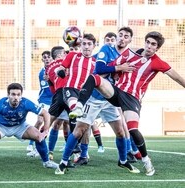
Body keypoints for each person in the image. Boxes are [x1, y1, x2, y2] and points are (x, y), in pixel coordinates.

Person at [71, 31, 185, 176]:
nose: (149, 46)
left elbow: (176, 77)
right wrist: (111, 73)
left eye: (153, 44)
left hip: (132, 99)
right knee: (94, 78)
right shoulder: (130, 54)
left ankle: (146, 160)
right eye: (148, 42)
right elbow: (109, 67)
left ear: (157, 48)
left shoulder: (157, 62)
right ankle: (79, 106)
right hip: (117, 92)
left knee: (132, 129)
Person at [55, 27, 139, 173]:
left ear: (93, 46)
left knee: (120, 131)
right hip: (93, 99)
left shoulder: (111, 57)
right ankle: (63, 162)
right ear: (80, 45)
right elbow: (100, 70)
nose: (87, 47)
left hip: (108, 100)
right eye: (84, 44)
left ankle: (123, 161)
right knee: (79, 130)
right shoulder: (100, 55)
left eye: (89, 44)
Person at [0, 83, 58, 169]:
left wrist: (46, 131)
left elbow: (45, 113)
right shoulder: (1, 104)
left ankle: (47, 162)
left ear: (21, 95)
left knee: (39, 136)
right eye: (13, 94)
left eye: (18, 95)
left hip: (20, 126)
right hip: (1, 126)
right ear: (8, 95)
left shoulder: (25, 103)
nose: (16, 97)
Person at [26, 51, 53, 156]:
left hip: (55, 101)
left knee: (60, 123)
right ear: (42, 60)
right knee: (40, 120)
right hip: (44, 100)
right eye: (44, 57)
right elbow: (48, 87)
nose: (46, 59)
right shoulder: (42, 73)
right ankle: (32, 143)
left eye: (48, 57)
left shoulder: (56, 69)